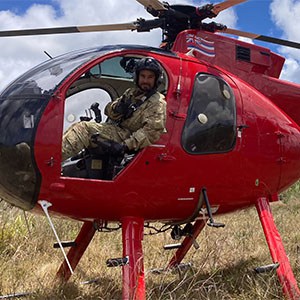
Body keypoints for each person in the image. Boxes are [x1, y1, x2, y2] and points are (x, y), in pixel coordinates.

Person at [62, 57, 167, 161]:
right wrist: (118, 108)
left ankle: (51, 159)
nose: (145, 80)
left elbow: (151, 132)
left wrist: (125, 146)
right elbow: (109, 112)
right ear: (137, 77)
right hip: (119, 132)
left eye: (150, 77)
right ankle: (53, 154)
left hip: (128, 138)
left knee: (84, 129)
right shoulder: (131, 94)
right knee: (77, 126)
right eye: (143, 76)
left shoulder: (157, 102)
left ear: (156, 79)